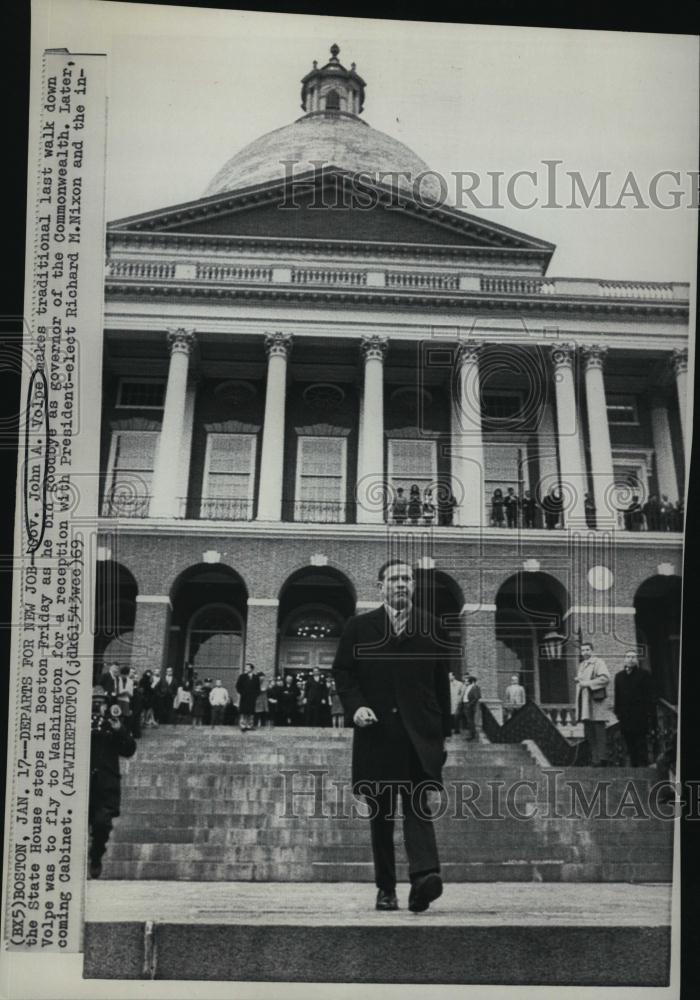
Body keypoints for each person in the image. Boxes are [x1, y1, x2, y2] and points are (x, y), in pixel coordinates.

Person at [332, 559, 454, 913]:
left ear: (413, 586)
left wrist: (444, 735)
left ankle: (424, 879)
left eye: (407, 579)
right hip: (377, 733)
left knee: (418, 807)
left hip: (420, 736)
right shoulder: (360, 627)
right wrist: (356, 707)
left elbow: (440, 683)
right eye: (394, 579)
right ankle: (386, 888)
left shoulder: (431, 628)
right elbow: (343, 672)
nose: (401, 584)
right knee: (381, 815)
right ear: (380, 586)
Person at [88, 685, 136, 879]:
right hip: (83, 784)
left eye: (100, 703)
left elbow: (128, 750)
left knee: (102, 824)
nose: (96, 706)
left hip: (106, 786)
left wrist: (120, 730)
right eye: (93, 702)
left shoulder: (112, 725)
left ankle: (96, 855)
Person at [613, 651, 655, 766]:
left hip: (640, 714)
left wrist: (648, 712)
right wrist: (617, 712)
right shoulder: (619, 676)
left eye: (633, 657)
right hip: (625, 716)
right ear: (624, 660)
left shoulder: (644, 674)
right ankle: (634, 766)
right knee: (629, 742)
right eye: (628, 657)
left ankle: (644, 766)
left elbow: (648, 695)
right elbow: (618, 695)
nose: (630, 659)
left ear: (636, 660)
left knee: (641, 742)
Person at [575, 642, 613, 766]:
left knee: (598, 730)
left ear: (592, 650)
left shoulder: (598, 662)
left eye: (587, 650)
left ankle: (602, 758)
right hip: (584, 701)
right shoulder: (582, 665)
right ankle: (594, 759)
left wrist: (586, 683)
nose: (585, 652)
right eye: (583, 650)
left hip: (595, 701)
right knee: (589, 731)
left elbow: (605, 678)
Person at [236, 663, 260, 731]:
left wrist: (255, 695)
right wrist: (242, 693)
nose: (246, 669)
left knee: (251, 712)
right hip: (244, 697)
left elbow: (258, 688)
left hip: (252, 698)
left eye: (248, 668)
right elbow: (238, 686)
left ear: (252, 669)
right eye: (246, 667)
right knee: (243, 712)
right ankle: (243, 725)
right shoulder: (242, 676)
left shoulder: (256, 677)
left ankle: (250, 725)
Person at [460, 675, 481, 740]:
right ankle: (471, 734)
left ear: (470, 682)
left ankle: (472, 735)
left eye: (466, 681)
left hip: (469, 706)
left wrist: (469, 704)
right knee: (469, 721)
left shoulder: (474, 688)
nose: (465, 682)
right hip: (465, 705)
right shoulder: (468, 687)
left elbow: (476, 697)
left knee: (470, 721)